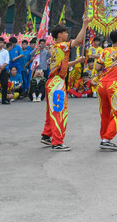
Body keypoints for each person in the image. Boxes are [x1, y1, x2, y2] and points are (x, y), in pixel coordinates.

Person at [41, 15, 90, 151]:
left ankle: (46, 135)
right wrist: (85, 24)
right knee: (59, 112)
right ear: (60, 35)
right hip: (56, 82)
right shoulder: (62, 46)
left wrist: (76, 62)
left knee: (52, 110)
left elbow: (63, 65)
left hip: (53, 81)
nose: (67, 34)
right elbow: (78, 41)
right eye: (66, 32)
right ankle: (57, 142)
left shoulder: (56, 48)